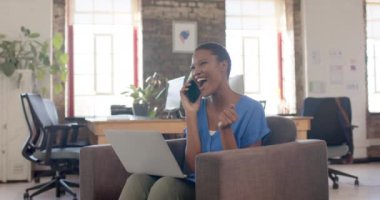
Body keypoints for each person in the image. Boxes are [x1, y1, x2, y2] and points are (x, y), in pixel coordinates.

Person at [118, 42, 270, 200]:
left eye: (203, 63)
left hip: (223, 188)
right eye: (193, 67)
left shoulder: (252, 109)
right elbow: (192, 166)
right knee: (138, 180)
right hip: (194, 183)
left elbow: (244, 171)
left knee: (167, 187)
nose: (196, 71)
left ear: (223, 65)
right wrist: (190, 113)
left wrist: (226, 131)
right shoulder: (197, 108)